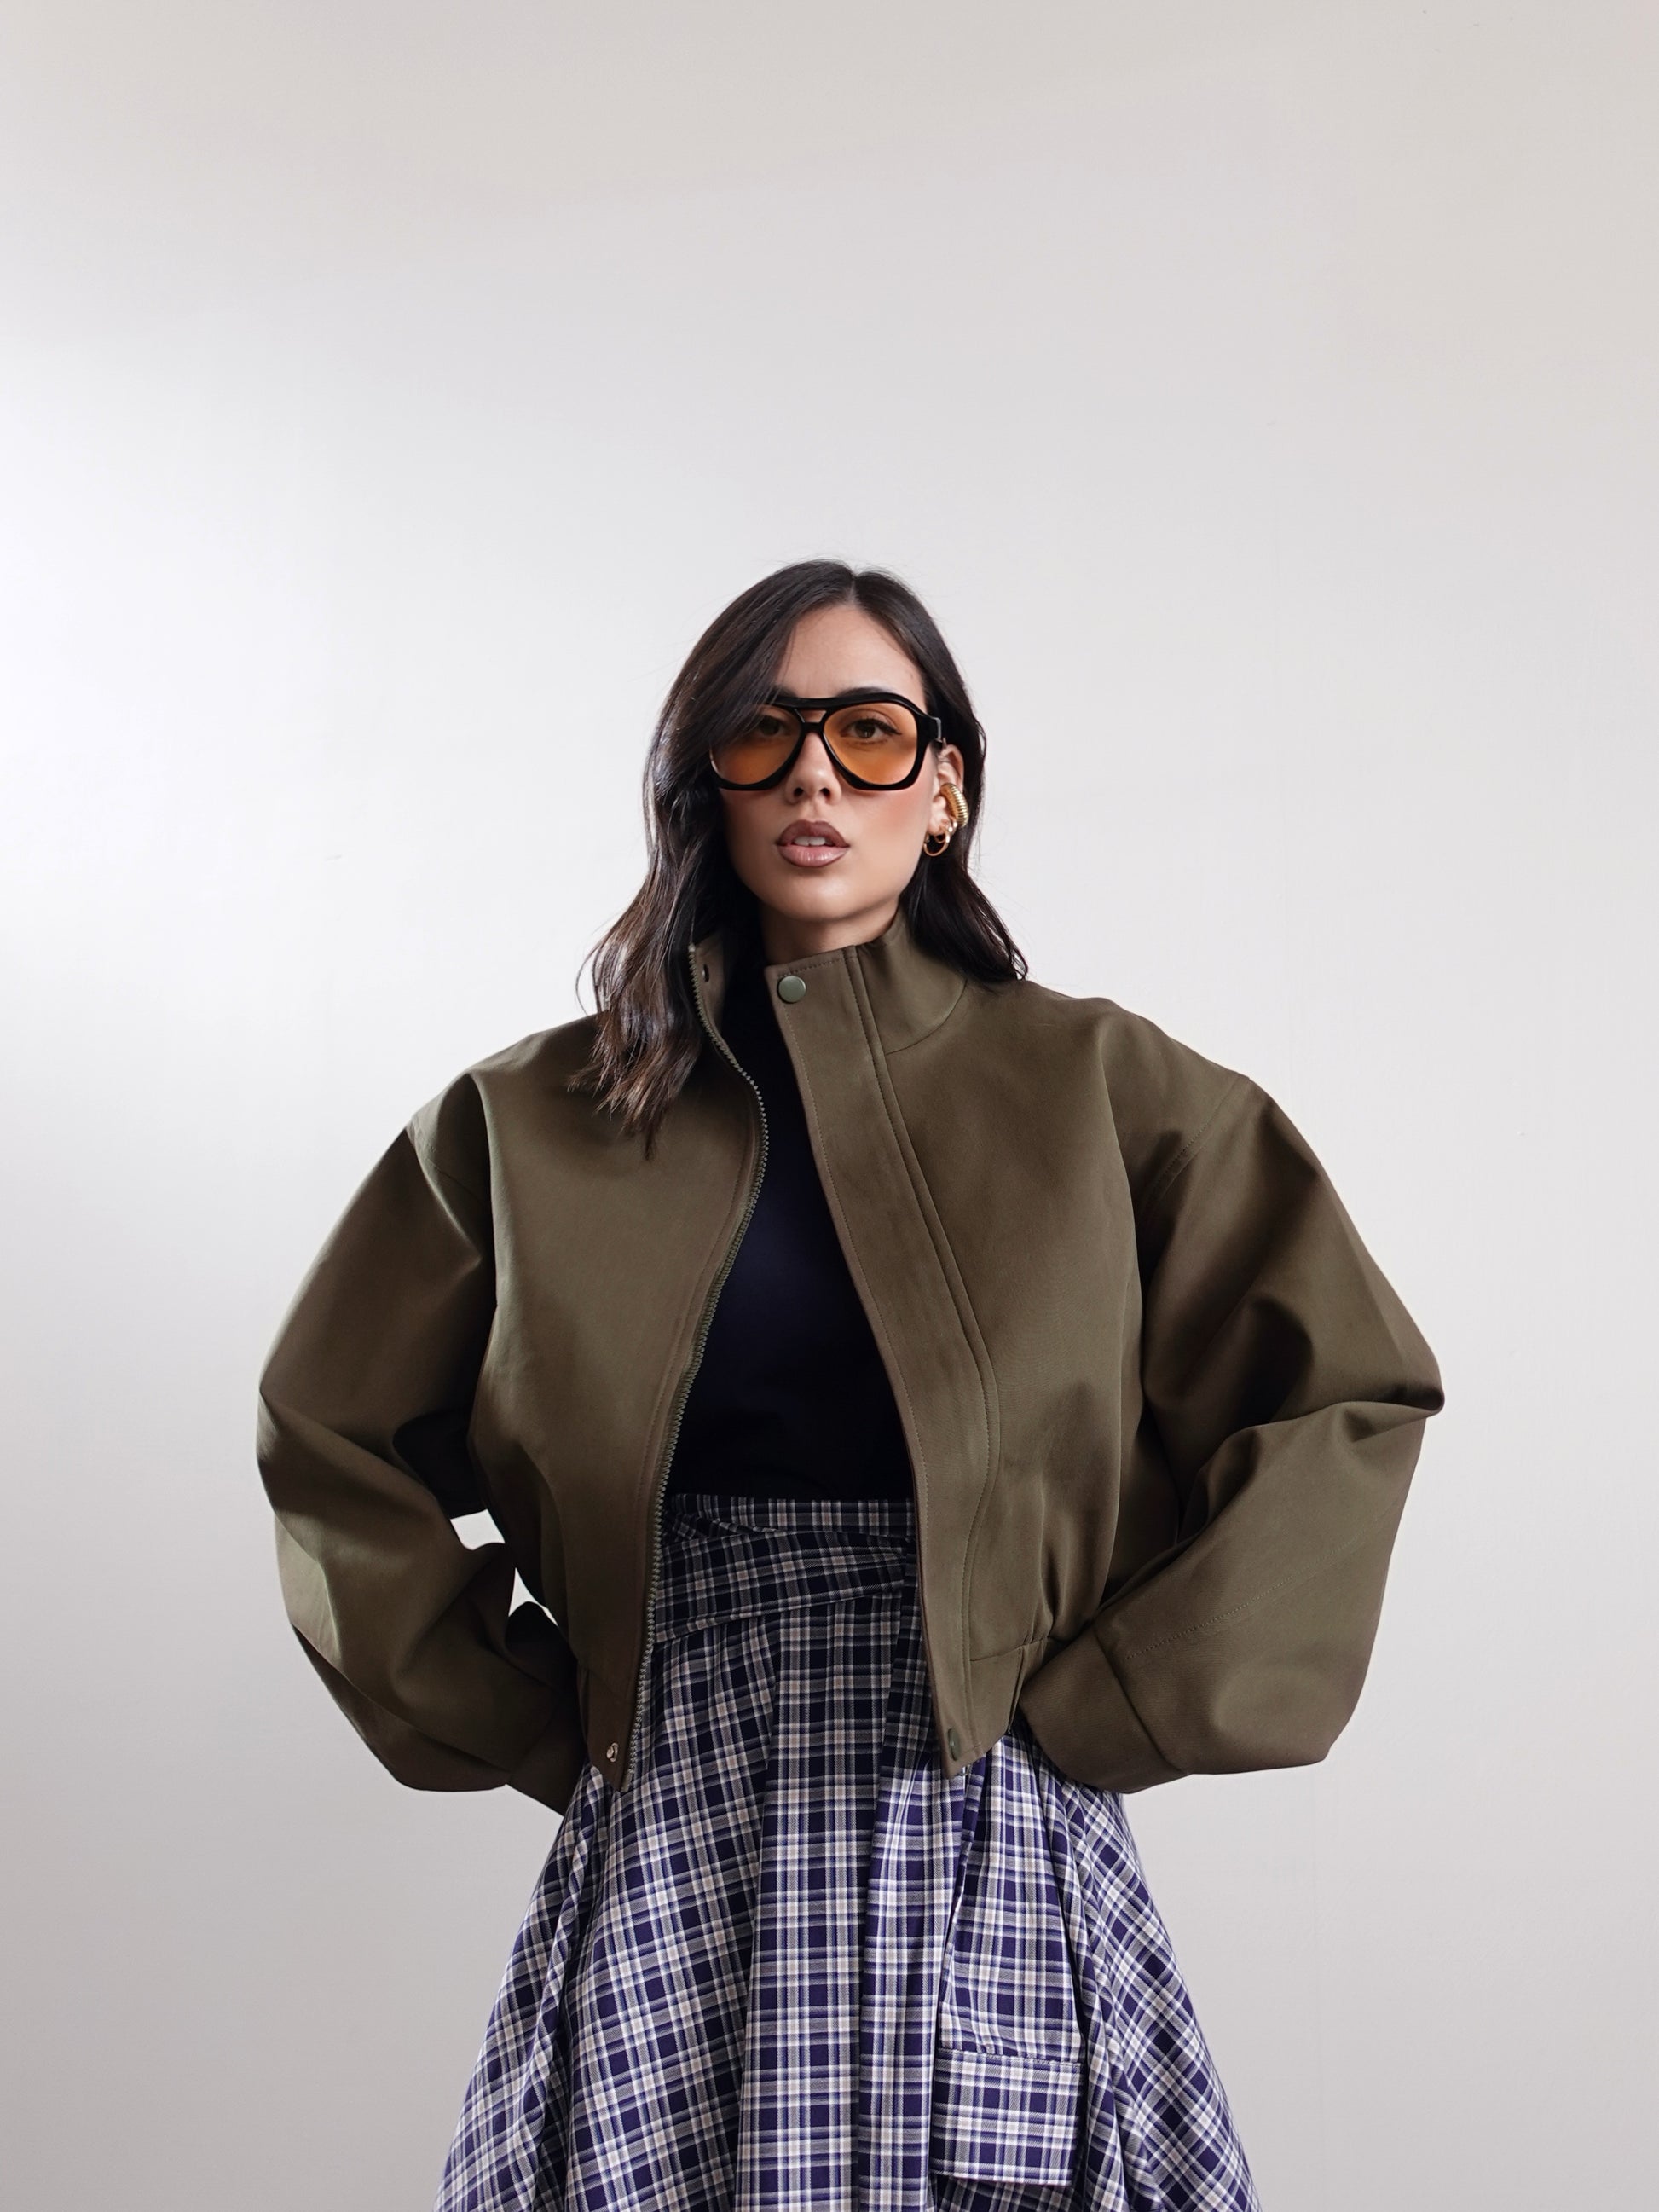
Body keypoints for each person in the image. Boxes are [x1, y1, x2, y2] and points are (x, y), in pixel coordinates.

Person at [257, 560, 1442, 2212]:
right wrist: (529, 1711)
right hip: (677, 1812)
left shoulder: (1107, 1090)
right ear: (705, 786)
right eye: (765, 733)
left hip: (988, 1808)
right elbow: (331, 1439)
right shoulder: (523, 1127)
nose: (815, 774)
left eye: (869, 731)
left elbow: (1343, 1396)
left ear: (943, 786)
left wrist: (1119, 1701)